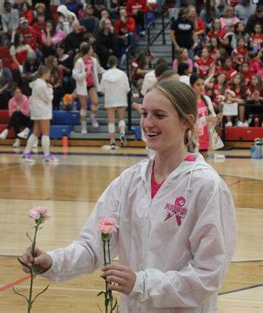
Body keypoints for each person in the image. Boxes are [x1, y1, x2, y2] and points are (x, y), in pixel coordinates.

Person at [20, 80, 237, 312]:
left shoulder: (206, 186)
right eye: (144, 114)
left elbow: (208, 275)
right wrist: (52, 262)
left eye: (159, 115)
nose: (148, 123)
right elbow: (94, 246)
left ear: (187, 122)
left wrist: (142, 284)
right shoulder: (130, 180)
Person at [22, 65, 58, 163]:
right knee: (46, 133)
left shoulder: (37, 83)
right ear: (44, 73)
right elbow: (48, 98)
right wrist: (50, 89)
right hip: (43, 111)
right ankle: (47, 156)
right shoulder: (42, 85)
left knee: (35, 132)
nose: (50, 74)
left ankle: (26, 153)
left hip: (37, 110)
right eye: (49, 72)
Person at [73, 43, 105, 134]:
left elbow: (99, 69)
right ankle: (84, 127)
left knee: (95, 102)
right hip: (82, 86)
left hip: (91, 85)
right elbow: (74, 75)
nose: (92, 50)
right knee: (84, 107)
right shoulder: (79, 62)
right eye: (91, 49)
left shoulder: (93, 60)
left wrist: (108, 72)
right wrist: (85, 74)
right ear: (87, 51)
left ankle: (93, 117)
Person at [101, 56, 130, 149]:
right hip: (121, 98)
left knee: (111, 121)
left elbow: (102, 89)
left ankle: (112, 140)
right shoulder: (122, 74)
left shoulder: (105, 75)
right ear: (116, 63)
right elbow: (127, 88)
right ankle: (122, 133)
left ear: (108, 64)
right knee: (121, 119)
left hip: (110, 99)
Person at [191, 73, 219, 158]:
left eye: (203, 84)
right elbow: (190, 121)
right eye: (198, 85)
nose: (201, 87)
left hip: (205, 136)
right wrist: (204, 119)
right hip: (194, 137)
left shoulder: (207, 99)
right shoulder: (190, 101)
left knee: (204, 163)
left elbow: (212, 115)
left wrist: (216, 119)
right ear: (192, 86)